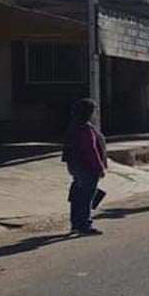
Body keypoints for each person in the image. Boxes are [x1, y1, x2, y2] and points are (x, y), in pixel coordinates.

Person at [62, 98, 106, 236]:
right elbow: (90, 150)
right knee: (86, 197)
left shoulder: (74, 125)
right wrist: (99, 168)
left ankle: (76, 224)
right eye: (94, 111)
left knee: (77, 196)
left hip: (76, 165)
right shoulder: (85, 128)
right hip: (87, 167)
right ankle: (84, 224)